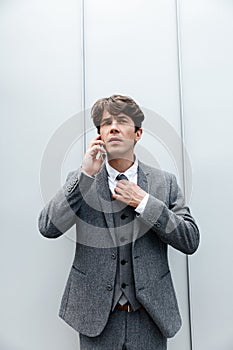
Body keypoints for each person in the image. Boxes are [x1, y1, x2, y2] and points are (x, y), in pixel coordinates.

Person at [38, 94, 200, 350]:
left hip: (151, 315)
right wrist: (84, 176)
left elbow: (190, 239)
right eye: (106, 122)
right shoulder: (82, 179)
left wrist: (145, 202)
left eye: (122, 121)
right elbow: (48, 227)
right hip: (95, 315)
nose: (113, 126)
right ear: (99, 134)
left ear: (138, 134)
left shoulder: (164, 182)